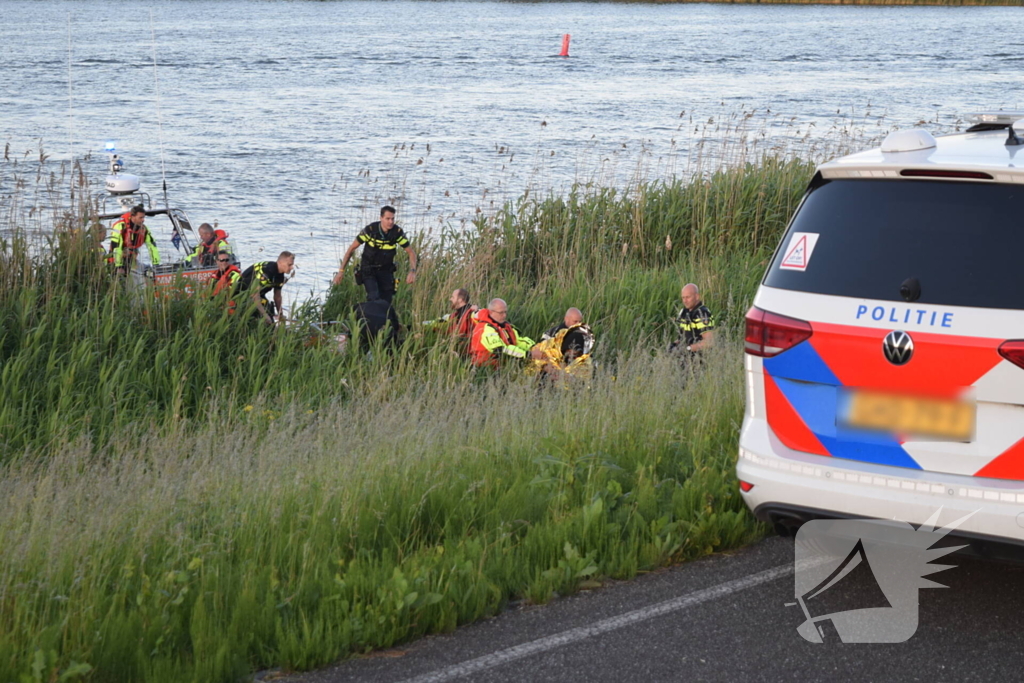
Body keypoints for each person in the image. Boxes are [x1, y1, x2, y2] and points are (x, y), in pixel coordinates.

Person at [332, 206, 417, 304]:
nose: (391, 222)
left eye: (393, 219)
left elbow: (411, 253)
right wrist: (341, 271)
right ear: (381, 218)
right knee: (374, 297)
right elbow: (351, 249)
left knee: (386, 301)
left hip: (386, 270)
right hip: (368, 269)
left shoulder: (397, 233)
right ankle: (365, 312)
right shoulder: (370, 230)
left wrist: (412, 271)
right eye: (388, 219)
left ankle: (378, 314)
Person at [528, 307, 596, 382]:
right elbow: (541, 352)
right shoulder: (551, 333)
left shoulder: (582, 334)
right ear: (566, 319)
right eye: (575, 321)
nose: (578, 324)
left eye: (580, 321)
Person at [469, 298, 540, 368]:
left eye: (505, 312)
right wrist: (528, 354)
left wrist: (534, 347)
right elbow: (500, 350)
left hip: (505, 365)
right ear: (491, 312)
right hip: (488, 368)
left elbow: (517, 341)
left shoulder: (505, 325)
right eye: (501, 313)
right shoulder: (485, 329)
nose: (504, 315)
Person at [237, 251, 295, 325]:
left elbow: (277, 296)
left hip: (259, 295)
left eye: (292, 265)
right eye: (289, 264)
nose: (292, 267)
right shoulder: (268, 271)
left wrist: (280, 314)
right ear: (280, 262)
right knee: (264, 318)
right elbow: (254, 295)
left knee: (269, 312)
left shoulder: (280, 276)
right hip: (243, 294)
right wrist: (264, 315)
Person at [110, 204, 160, 275]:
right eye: (140, 217)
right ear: (133, 217)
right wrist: (118, 266)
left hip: (131, 259)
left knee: (145, 270)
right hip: (115, 260)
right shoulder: (120, 226)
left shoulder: (144, 229)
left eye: (144, 217)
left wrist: (156, 264)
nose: (143, 220)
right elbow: (116, 247)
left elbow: (152, 246)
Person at [669, 283, 716, 356]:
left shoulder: (702, 313)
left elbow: (709, 342)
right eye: (683, 298)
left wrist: (688, 349)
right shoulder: (684, 312)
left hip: (699, 357)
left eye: (688, 297)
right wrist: (674, 345)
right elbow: (683, 337)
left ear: (697, 296)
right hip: (685, 357)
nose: (685, 301)